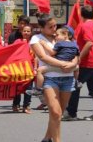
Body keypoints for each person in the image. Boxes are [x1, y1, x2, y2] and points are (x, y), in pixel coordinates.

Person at [30, 13, 77, 142]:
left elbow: (74, 51)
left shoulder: (62, 36)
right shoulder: (36, 38)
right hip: (50, 78)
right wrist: (63, 64)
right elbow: (44, 57)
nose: (54, 29)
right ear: (42, 28)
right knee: (55, 112)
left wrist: (73, 64)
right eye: (50, 27)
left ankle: (47, 138)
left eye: (55, 25)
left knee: (58, 113)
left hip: (67, 78)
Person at [64, 5, 93, 122]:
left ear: (82, 14)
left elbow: (89, 43)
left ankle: (71, 113)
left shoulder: (85, 26)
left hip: (87, 61)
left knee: (75, 86)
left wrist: (78, 58)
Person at [29, 26, 80, 96]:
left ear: (65, 35)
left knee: (40, 70)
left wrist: (44, 44)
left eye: (57, 35)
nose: (55, 37)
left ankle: (38, 89)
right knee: (77, 68)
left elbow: (52, 52)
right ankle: (76, 82)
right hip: (71, 67)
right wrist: (73, 64)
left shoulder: (60, 43)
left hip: (58, 66)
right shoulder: (75, 45)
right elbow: (78, 57)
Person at [12, 24, 34, 114]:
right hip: (18, 69)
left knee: (29, 88)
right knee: (17, 87)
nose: (26, 33)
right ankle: (16, 104)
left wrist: (36, 68)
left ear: (31, 33)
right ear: (21, 32)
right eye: (24, 31)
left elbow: (36, 56)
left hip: (30, 68)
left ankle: (26, 105)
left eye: (28, 31)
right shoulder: (17, 41)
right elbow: (12, 53)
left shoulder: (34, 42)